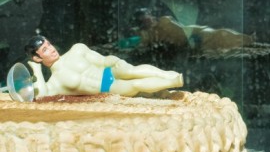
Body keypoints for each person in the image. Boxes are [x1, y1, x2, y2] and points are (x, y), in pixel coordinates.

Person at [25, 35, 183, 97]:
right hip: (105, 87)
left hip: (107, 71)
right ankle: (172, 82)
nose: (52, 49)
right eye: (45, 49)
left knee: (130, 70)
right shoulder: (54, 82)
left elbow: (101, 60)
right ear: (37, 58)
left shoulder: (76, 49)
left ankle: (168, 75)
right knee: (134, 84)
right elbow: (41, 96)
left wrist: (111, 60)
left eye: (49, 44)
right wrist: (36, 70)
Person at [133, 8, 254, 51]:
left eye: (148, 15)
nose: (149, 18)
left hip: (194, 35)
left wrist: (192, 40)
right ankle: (247, 40)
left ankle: (249, 39)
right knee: (219, 39)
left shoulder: (163, 21)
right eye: (145, 17)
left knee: (219, 36)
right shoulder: (146, 33)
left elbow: (181, 33)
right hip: (190, 40)